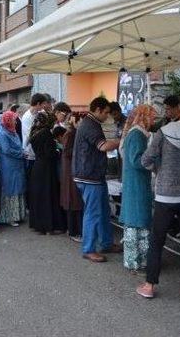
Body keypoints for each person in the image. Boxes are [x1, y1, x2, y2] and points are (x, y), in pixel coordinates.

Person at [136, 91, 180, 299]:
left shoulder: (164, 131)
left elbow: (146, 160)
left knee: (157, 240)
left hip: (165, 195)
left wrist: (160, 170)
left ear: (179, 106)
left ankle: (149, 285)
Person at [73, 97, 121, 263]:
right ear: (98, 110)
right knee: (93, 213)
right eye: (106, 112)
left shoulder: (91, 123)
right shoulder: (90, 125)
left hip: (94, 175)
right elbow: (103, 146)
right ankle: (89, 249)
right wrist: (122, 141)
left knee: (104, 210)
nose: (108, 116)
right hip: (88, 176)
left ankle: (106, 243)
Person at [119, 104, 156, 272]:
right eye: (152, 117)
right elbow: (136, 160)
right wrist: (153, 160)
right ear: (144, 117)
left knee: (137, 222)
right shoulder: (137, 135)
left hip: (135, 183)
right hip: (137, 184)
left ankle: (138, 260)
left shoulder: (136, 133)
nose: (153, 121)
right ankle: (136, 261)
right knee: (137, 222)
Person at [28, 112, 66, 235]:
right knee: (48, 196)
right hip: (46, 168)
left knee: (39, 197)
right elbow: (50, 153)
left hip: (37, 166)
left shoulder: (34, 132)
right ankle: (49, 226)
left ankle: (39, 225)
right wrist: (58, 152)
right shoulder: (46, 134)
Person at [0, 111, 26, 226]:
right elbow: (6, 150)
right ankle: (10, 217)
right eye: (14, 120)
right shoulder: (2, 134)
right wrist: (21, 153)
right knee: (10, 188)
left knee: (18, 187)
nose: (16, 122)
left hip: (16, 164)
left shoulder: (13, 132)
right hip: (8, 165)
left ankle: (18, 214)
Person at [59, 114, 83, 242]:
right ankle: (74, 231)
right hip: (71, 172)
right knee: (73, 201)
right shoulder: (71, 134)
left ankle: (74, 230)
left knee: (74, 201)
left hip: (71, 170)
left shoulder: (72, 133)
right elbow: (68, 152)